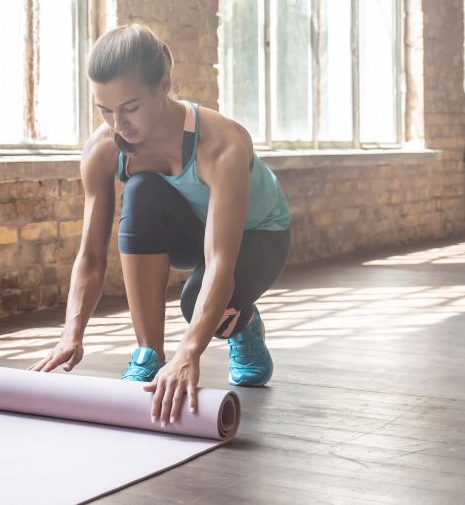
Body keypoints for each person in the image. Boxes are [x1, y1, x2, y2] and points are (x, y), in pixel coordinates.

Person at [28, 24, 291, 426]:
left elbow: (220, 259)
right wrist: (72, 333)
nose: (119, 123)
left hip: (259, 234)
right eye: (105, 109)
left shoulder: (221, 144)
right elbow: (92, 254)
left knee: (195, 304)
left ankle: (244, 324)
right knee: (142, 190)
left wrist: (190, 352)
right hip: (188, 226)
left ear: (164, 84)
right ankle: (148, 352)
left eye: (130, 107)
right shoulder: (102, 150)